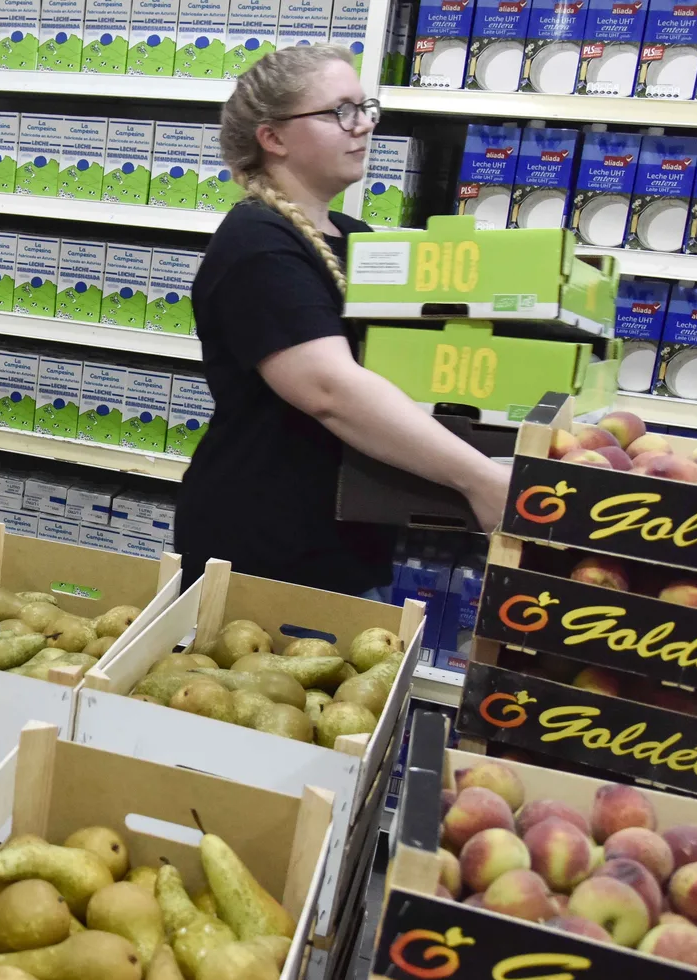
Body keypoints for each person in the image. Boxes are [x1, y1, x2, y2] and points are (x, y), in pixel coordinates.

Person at [175, 44, 511, 596]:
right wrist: (477, 477)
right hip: (266, 544)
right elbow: (330, 388)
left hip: (348, 536)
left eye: (365, 108)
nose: (362, 127)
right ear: (274, 137)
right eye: (339, 112)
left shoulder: (357, 239)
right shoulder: (257, 245)